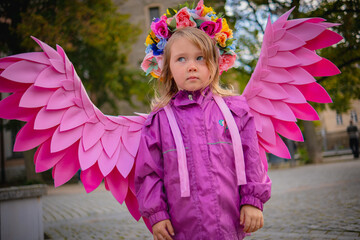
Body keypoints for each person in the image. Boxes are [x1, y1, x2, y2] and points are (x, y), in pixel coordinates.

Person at [134, 25, 271, 240]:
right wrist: (157, 214)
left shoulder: (235, 111)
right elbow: (148, 172)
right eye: (181, 59)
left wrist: (252, 200)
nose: (192, 66)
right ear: (167, 69)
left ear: (214, 65)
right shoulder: (158, 122)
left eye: (200, 58)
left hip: (229, 223)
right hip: (182, 228)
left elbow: (252, 158)